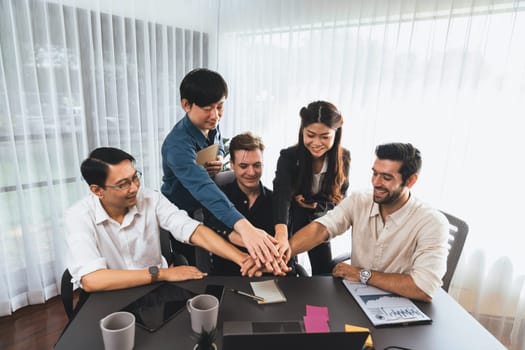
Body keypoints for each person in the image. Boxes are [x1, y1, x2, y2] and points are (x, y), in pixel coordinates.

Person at [65, 147, 260, 292]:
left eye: (135, 178)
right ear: (97, 190)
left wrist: (242, 258)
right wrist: (161, 273)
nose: (134, 188)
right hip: (110, 293)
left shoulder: (150, 198)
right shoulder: (78, 216)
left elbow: (192, 230)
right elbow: (92, 280)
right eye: (123, 184)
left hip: (156, 291)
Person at [285, 143, 449, 302]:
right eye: (374, 173)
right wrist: (281, 254)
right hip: (357, 298)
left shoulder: (432, 222)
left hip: (404, 306)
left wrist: (363, 274)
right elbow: (321, 228)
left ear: (411, 181)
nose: (376, 183)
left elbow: (424, 288)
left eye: (386, 177)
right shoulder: (360, 200)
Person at [161, 68, 280, 271]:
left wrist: (218, 156)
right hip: (183, 208)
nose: (215, 115)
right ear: (186, 105)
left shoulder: (211, 123)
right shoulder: (177, 145)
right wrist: (245, 227)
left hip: (207, 203)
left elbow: (220, 145)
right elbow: (203, 187)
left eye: (220, 106)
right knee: (195, 266)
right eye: (208, 108)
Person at [272, 101, 351, 275]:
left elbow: (340, 198)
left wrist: (315, 206)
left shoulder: (343, 157)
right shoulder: (289, 156)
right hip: (291, 219)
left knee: (323, 272)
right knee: (286, 269)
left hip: (320, 220)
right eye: (310, 135)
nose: (316, 143)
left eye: (325, 137)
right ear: (302, 131)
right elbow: (281, 194)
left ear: (335, 135)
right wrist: (281, 231)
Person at [203, 132, 293, 275]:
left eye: (257, 165)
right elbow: (214, 229)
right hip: (228, 276)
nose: (251, 172)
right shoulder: (219, 197)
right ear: (232, 164)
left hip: (269, 273)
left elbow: (285, 246)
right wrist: (256, 250)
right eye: (243, 166)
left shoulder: (278, 202)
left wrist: (261, 260)